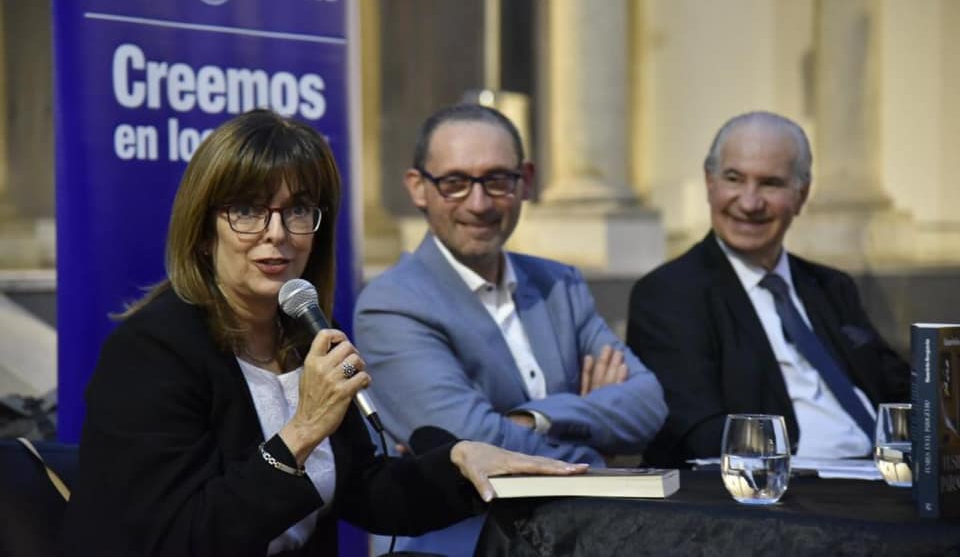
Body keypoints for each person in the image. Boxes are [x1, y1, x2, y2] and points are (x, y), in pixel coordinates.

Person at [61, 109, 587, 557]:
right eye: (247, 210)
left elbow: (364, 490)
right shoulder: (153, 352)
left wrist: (458, 462)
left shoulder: (305, 331)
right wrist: (303, 429)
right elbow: (181, 538)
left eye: (298, 211)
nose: (276, 234)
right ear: (203, 232)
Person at [354, 103, 667, 555]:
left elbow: (647, 402)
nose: (478, 204)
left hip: (581, 539)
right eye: (455, 183)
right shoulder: (392, 305)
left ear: (526, 182)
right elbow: (473, 443)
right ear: (418, 188)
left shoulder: (560, 284)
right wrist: (602, 454)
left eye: (497, 180)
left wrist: (534, 418)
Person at [626, 111, 910, 467]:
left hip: (890, 476)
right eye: (734, 178)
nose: (749, 202)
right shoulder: (669, 294)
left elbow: (900, 389)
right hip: (783, 491)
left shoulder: (832, 287)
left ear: (801, 195)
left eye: (770, 184)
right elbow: (698, 432)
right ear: (709, 182)